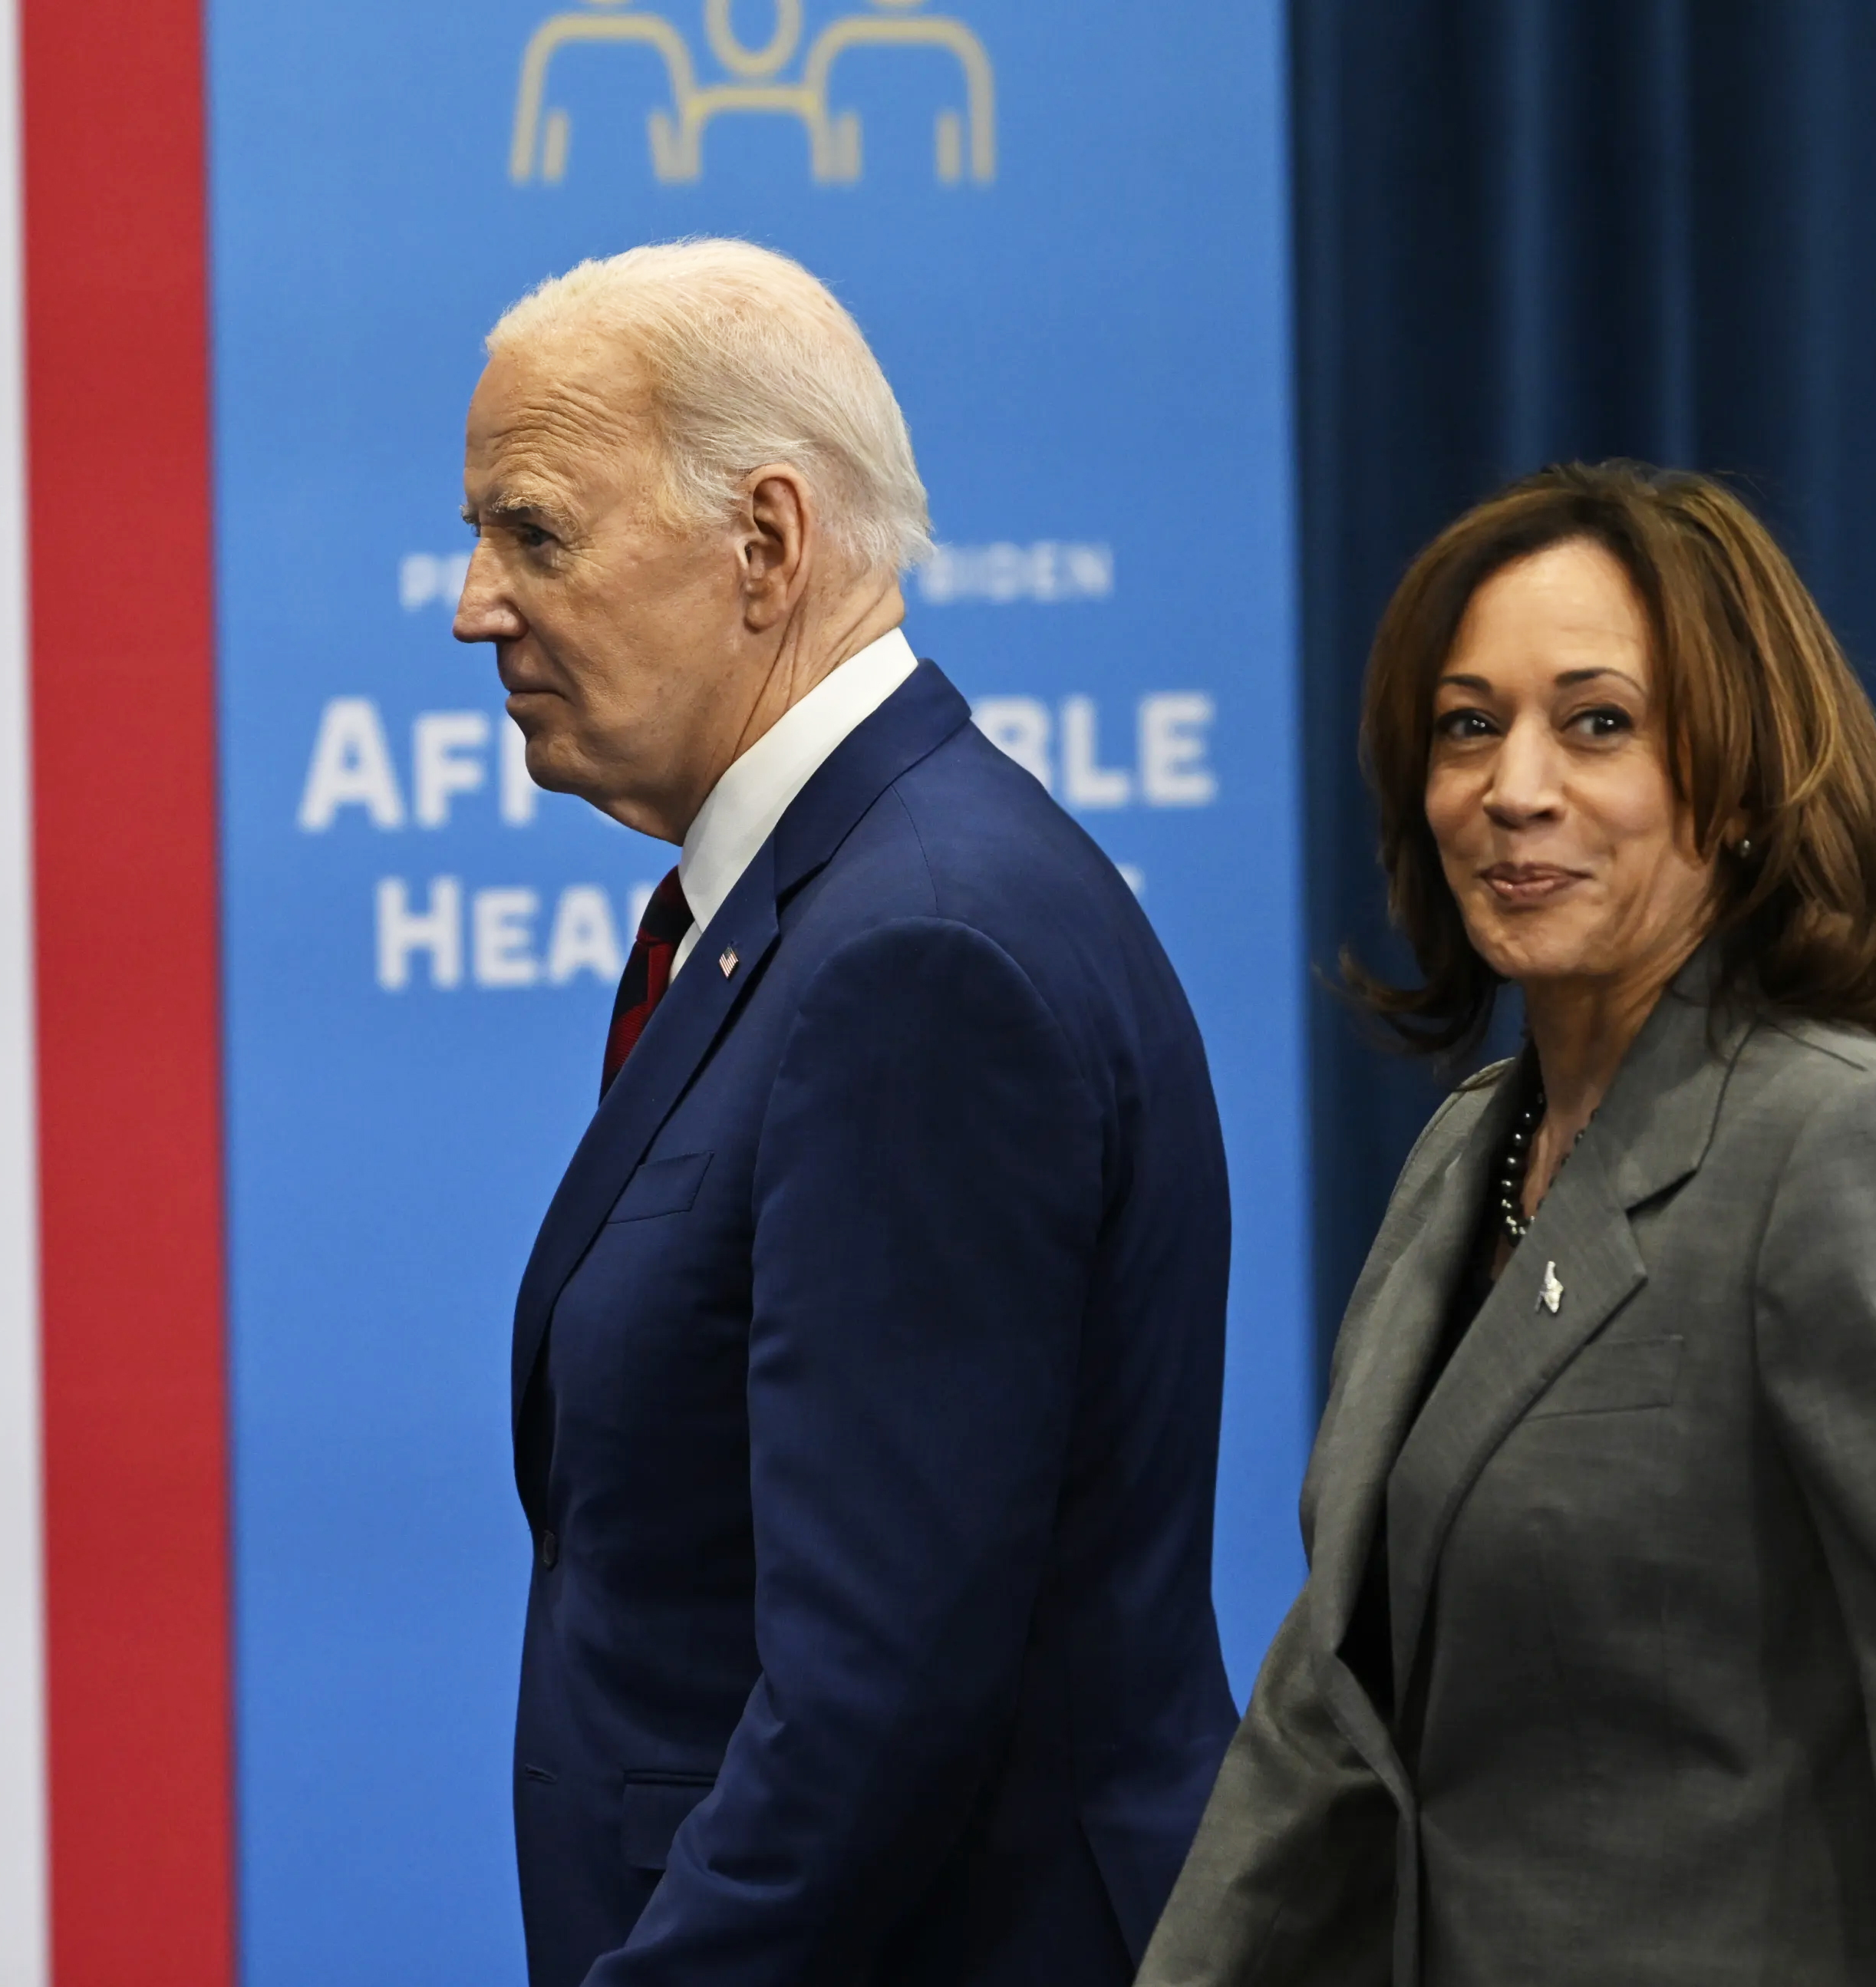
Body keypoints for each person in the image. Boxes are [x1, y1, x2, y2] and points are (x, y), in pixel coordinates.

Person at [1140, 462, 1876, 1986]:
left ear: (1735, 787)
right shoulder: (1465, 1151)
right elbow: (1332, 1709)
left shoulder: (1849, 1146)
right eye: (1469, 724)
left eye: (1597, 721)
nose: (1515, 785)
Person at [457, 239, 1239, 1986]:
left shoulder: (921, 955)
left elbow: (877, 1693)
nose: (473, 603)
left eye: (534, 531)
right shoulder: (820, 912)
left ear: (767, 544)